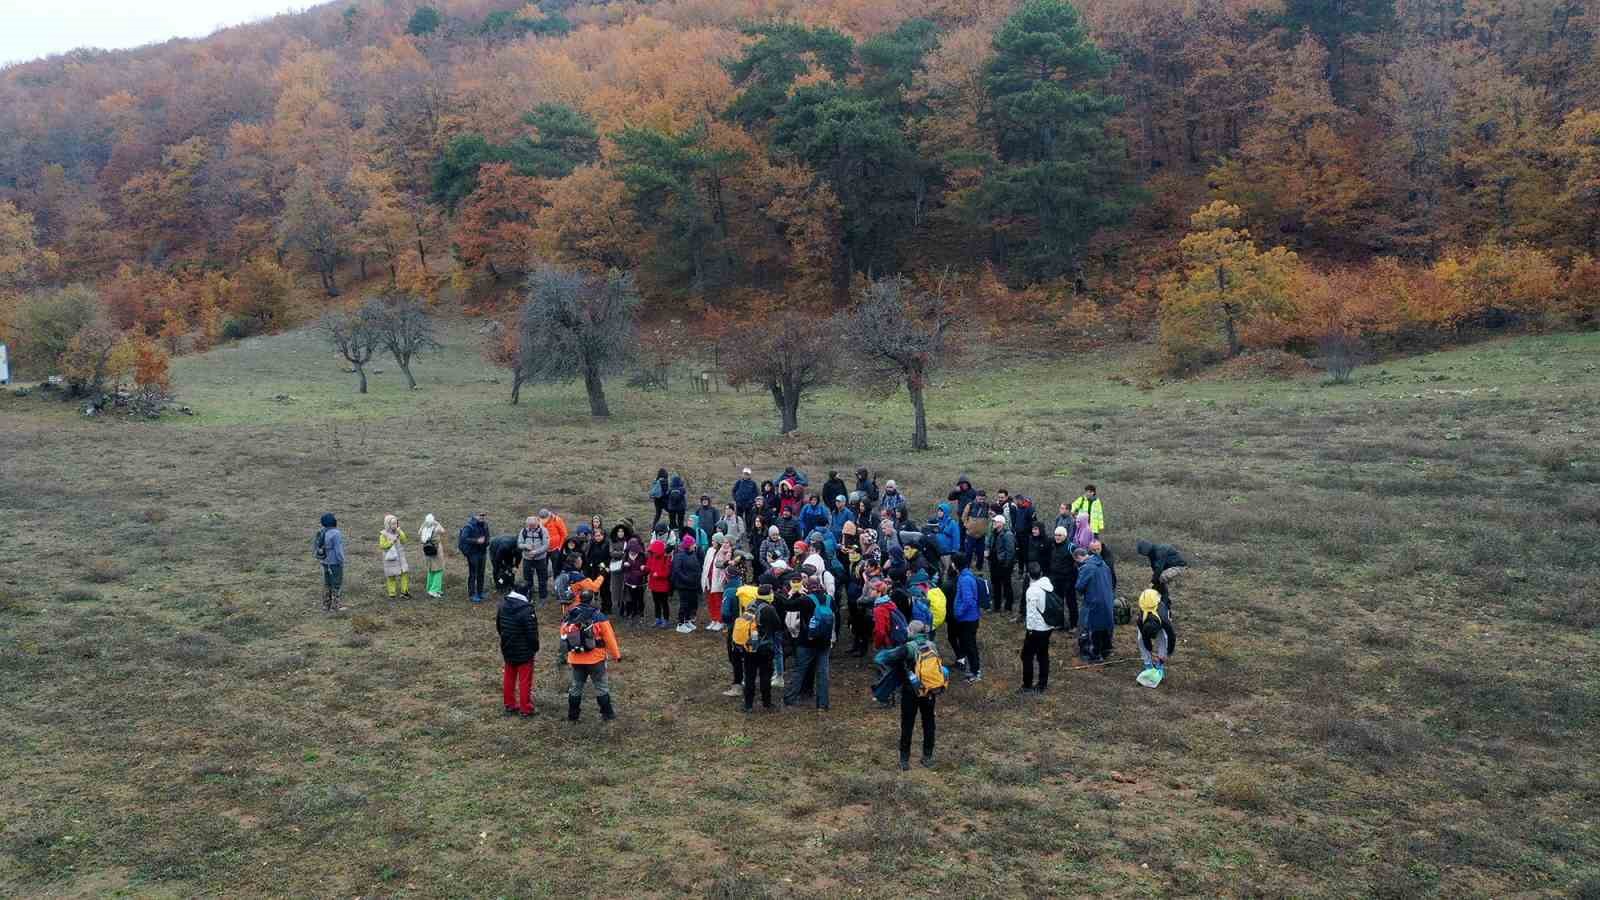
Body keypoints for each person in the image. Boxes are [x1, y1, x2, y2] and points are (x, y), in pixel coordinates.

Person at [874, 620, 938, 770]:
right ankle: (927, 757)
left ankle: (904, 760)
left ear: (912, 632)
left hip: (911, 691)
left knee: (907, 724)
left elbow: (881, 658)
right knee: (929, 723)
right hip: (929, 690)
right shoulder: (932, 645)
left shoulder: (907, 648)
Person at [563, 590, 622, 722]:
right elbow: (609, 638)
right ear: (592, 600)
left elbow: (563, 634)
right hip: (596, 659)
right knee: (601, 686)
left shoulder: (571, 615)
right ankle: (608, 715)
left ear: (580, 599)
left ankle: (572, 716)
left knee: (576, 687)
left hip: (576, 658)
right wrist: (616, 655)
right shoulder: (599, 616)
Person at [783, 576, 833, 711]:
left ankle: (790, 698)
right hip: (824, 642)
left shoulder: (805, 600)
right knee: (823, 673)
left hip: (806, 642)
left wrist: (794, 593)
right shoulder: (829, 599)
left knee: (799, 671)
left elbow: (788, 606)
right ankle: (823, 704)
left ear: (807, 586)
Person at [737, 585, 784, 712]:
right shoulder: (769, 609)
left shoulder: (751, 605)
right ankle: (766, 703)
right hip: (764, 647)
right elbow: (778, 625)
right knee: (765, 675)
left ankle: (748, 705)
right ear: (769, 595)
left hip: (749, 646)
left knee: (749, 676)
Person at [496, 589, 539, 717]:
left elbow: (499, 626)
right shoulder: (527, 610)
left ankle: (509, 704)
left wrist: (505, 639)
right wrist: (535, 647)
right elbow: (532, 633)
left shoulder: (503, 605)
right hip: (524, 650)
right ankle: (526, 708)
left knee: (509, 677)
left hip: (508, 646)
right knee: (525, 680)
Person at [1074, 546, 1115, 662]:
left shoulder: (1087, 567)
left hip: (1093, 601)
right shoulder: (1104, 564)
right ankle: (1106, 650)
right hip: (1107, 600)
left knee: (1087, 626)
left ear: (1079, 557)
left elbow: (1079, 586)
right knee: (1105, 625)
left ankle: (1092, 654)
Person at [1020, 563, 1055, 693]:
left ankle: (1027, 685)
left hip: (1037, 629)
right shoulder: (1048, 584)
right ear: (1041, 573)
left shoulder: (1032, 590)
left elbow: (1031, 613)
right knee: (1043, 655)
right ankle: (1042, 684)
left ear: (1028, 575)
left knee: (1026, 656)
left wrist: (1029, 630)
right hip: (1048, 626)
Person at [950, 555, 983, 683]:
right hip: (969, 617)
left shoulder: (964, 579)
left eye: (953, 562)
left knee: (970, 646)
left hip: (968, 619)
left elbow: (968, 600)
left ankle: (975, 672)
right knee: (969, 645)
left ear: (957, 564)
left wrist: (958, 612)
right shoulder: (966, 576)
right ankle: (974, 669)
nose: (952, 565)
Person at [1134, 588, 1177, 677]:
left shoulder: (1164, 620)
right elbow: (1145, 638)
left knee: (1163, 637)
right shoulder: (1140, 621)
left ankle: (1160, 663)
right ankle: (1148, 663)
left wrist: (1169, 652)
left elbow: (1171, 636)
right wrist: (1149, 649)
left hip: (1157, 602)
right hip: (1145, 601)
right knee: (1140, 638)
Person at [1135, 539, 1189, 608]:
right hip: (1168, 567)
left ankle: (1165, 601)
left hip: (1179, 566)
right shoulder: (1152, 553)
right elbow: (1154, 568)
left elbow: (1159, 568)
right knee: (1158, 581)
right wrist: (1154, 582)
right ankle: (1159, 598)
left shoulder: (1160, 551)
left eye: (1142, 553)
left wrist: (1153, 582)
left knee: (1162, 577)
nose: (1143, 555)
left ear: (1145, 550)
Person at [313, 513, 346, 612]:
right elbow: (338, 550)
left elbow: (316, 546)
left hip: (324, 561)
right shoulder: (336, 533)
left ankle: (326, 605)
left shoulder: (321, 531)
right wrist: (341, 561)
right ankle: (335, 606)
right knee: (336, 584)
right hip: (334, 562)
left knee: (327, 583)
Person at [1048, 526, 1079, 630]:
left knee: (1071, 602)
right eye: (1056, 535)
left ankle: (1074, 625)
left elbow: (1078, 562)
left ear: (1065, 536)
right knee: (1058, 602)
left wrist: (1073, 578)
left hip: (1068, 580)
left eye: (1059, 535)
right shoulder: (1053, 545)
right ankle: (1059, 623)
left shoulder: (1071, 547)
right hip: (1056, 579)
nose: (1057, 537)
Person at [986, 513, 1017, 615]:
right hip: (994, 563)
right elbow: (989, 545)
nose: (994, 523)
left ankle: (1008, 608)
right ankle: (997, 606)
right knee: (996, 585)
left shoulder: (1008, 535)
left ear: (1001, 523)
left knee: (1007, 586)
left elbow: (1010, 551)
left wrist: (1007, 565)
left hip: (1003, 564)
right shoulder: (993, 533)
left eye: (996, 521)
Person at [671, 534, 702, 633]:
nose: (695, 546)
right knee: (684, 604)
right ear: (688, 545)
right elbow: (677, 570)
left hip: (692, 585)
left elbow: (697, 566)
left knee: (690, 604)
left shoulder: (693, 554)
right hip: (683, 585)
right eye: (693, 544)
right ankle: (680, 624)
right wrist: (686, 579)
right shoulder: (679, 555)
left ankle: (687, 620)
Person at [458, 512, 490, 603]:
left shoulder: (485, 525)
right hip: (473, 554)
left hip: (482, 552)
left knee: (481, 573)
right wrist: (476, 541)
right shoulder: (469, 526)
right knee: (473, 574)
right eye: (480, 515)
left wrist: (487, 541)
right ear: (474, 516)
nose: (482, 517)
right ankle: (472, 594)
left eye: (483, 515)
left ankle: (480, 592)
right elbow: (464, 538)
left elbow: (487, 536)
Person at [517, 516, 551, 601]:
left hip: (540, 559)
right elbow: (519, 544)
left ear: (537, 523)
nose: (531, 527)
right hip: (527, 559)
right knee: (527, 579)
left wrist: (536, 552)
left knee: (542, 578)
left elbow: (546, 545)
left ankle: (543, 597)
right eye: (530, 525)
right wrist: (525, 546)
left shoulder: (543, 531)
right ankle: (529, 596)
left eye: (533, 525)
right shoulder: (523, 531)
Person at [703, 532, 731, 631]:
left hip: (718, 581)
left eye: (714, 541)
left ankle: (720, 620)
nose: (712, 542)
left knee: (718, 601)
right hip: (709, 579)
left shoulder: (723, 552)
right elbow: (706, 564)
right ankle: (713, 619)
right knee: (710, 601)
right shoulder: (710, 551)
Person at [379, 515, 411, 600]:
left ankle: (404, 592)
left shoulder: (398, 532)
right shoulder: (383, 535)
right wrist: (391, 542)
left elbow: (404, 540)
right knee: (391, 576)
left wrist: (400, 533)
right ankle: (392, 593)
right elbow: (382, 546)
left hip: (400, 558)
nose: (395, 525)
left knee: (405, 573)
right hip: (391, 559)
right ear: (388, 524)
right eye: (393, 524)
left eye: (396, 523)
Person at [962, 490, 992, 572]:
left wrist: (986, 527)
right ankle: (966, 569)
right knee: (968, 553)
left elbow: (990, 517)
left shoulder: (987, 506)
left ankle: (979, 569)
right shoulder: (970, 505)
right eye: (980, 499)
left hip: (981, 535)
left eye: (983, 499)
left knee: (980, 554)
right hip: (970, 535)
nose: (981, 501)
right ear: (976, 497)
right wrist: (967, 526)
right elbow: (964, 517)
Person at [645, 538, 672, 628]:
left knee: (664, 603)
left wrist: (659, 574)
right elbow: (648, 567)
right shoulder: (651, 557)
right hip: (654, 585)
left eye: (654, 551)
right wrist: (645, 568)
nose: (652, 552)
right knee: (656, 603)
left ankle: (666, 620)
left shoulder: (666, 558)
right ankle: (658, 619)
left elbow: (667, 572)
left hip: (662, 586)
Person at [607, 523, 633, 614]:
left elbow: (629, 552)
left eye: (622, 531)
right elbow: (611, 553)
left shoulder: (628, 541)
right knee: (616, 587)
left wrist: (618, 553)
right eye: (619, 531)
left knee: (625, 587)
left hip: (625, 567)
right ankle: (618, 604)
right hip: (615, 568)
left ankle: (625, 605)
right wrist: (622, 553)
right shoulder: (612, 540)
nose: (620, 533)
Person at [419, 514, 446, 599]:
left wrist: (424, 524)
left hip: (427, 550)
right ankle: (434, 590)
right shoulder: (436, 528)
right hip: (436, 551)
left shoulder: (423, 528)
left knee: (430, 570)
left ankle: (430, 587)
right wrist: (437, 523)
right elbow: (443, 531)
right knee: (439, 570)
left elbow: (419, 532)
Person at [622, 537, 647, 620]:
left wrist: (643, 570)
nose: (632, 552)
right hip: (629, 581)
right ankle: (633, 611)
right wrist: (625, 566)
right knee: (631, 598)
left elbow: (646, 570)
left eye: (634, 551)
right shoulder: (626, 555)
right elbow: (622, 569)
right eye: (631, 551)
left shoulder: (642, 556)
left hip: (640, 582)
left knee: (640, 597)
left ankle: (641, 612)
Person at [540, 509, 569, 576]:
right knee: (542, 567)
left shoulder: (557, 520)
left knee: (556, 568)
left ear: (548, 516)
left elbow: (564, 534)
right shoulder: (538, 521)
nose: (543, 521)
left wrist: (559, 547)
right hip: (543, 549)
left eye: (544, 519)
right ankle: (543, 580)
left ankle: (556, 580)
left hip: (555, 549)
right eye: (542, 519)